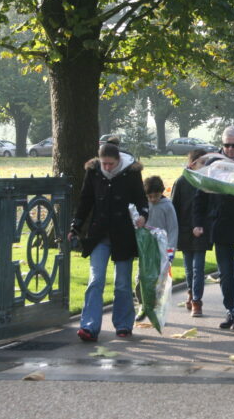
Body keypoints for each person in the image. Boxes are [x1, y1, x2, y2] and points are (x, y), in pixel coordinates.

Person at [69, 143, 148, 342]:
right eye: (104, 163)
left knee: (122, 283)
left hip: (124, 234)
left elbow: (141, 199)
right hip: (99, 234)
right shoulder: (94, 171)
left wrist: (143, 216)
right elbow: (85, 201)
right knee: (95, 280)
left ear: (118, 160)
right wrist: (75, 227)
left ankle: (123, 324)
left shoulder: (131, 172)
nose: (107, 167)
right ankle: (89, 326)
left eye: (111, 164)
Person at [193, 125, 234, 331]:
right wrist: (197, 222)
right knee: (225, 273)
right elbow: (200, 195)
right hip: (221, 224)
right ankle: (230, 309)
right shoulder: (213, 163)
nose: (229, 149)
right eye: (226, 145)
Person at [170, 149, 211, 317]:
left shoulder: (208, 183)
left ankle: (197, 300)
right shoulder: (181, 182)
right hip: (185, 232)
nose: (205, 166)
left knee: (198, 268)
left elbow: (210, 208)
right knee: (189, 269)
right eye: (202, 163)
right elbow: (174, 208)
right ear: (192, 164)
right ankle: (190, 291)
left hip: (201, 231)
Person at [135, 175, 178, 321]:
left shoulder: (167, 206)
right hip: (146, 247)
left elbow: (173, 228)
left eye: (156, 196)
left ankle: (155, 307)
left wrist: (171, 249)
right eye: (150, 196)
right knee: (140, 277)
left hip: (161, 249)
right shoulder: (143, 206)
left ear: (162, 192)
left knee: (158, 280)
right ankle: (142, 305)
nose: (153, 199)